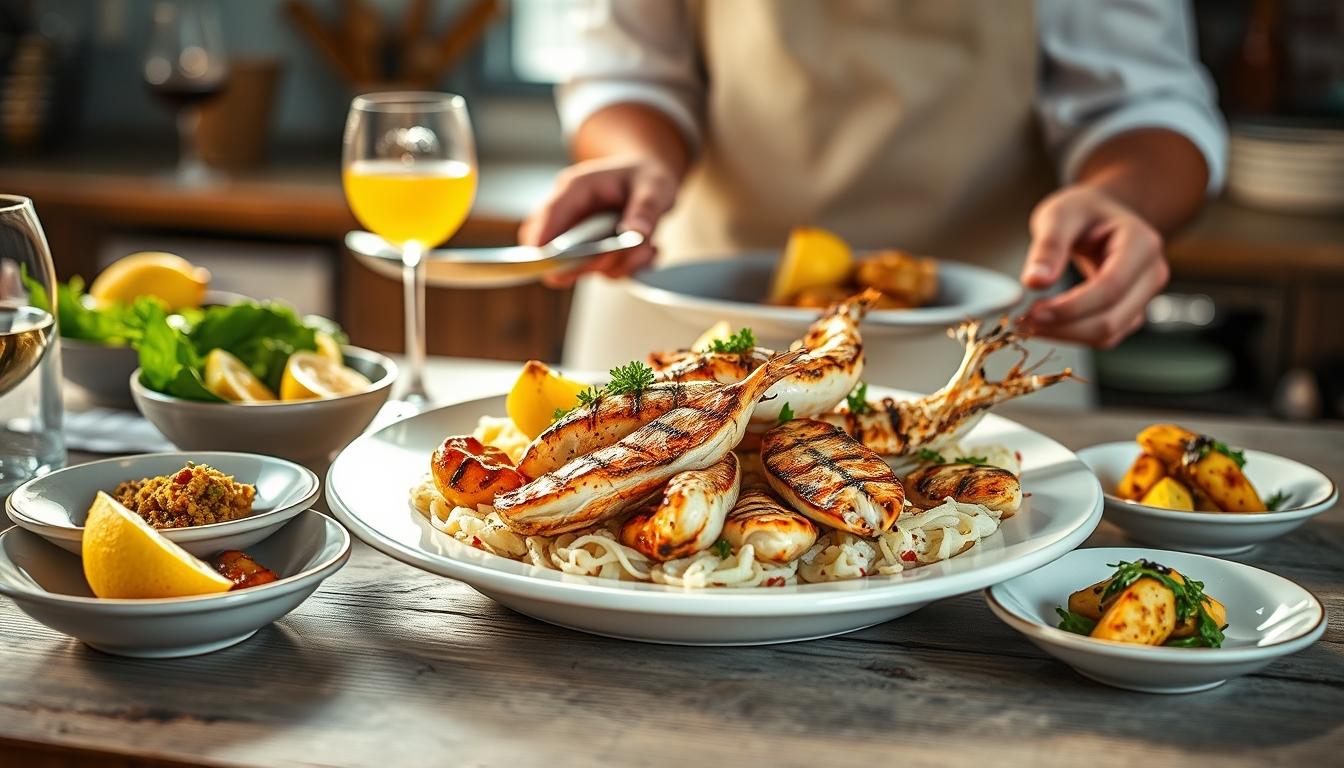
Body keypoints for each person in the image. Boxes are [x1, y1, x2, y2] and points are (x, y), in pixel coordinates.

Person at [520, 0, 1226, 406]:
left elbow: (1144, 101)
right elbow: (628, 68)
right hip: (688, 320)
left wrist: (1117, 198)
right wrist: (637, 158)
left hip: (974, 348)